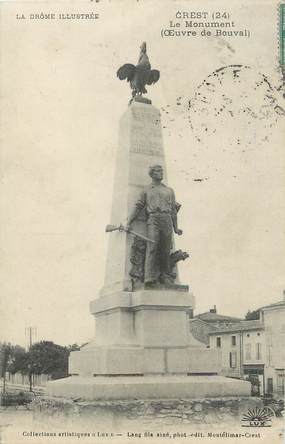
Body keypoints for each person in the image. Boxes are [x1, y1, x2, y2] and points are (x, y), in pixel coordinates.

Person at [126, 164, 182, 287]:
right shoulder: (146, 190)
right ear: (152, 174)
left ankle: (165, 276)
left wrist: (176, 228)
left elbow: (173, 210)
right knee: (152, 247)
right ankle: (149, 277)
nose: (161, 173)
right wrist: (129, 222)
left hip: (166, 219)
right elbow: (139, 206)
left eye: (161, 171)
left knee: (166, 249)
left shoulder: (169, 190)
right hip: (153, 219)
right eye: (157, 171)